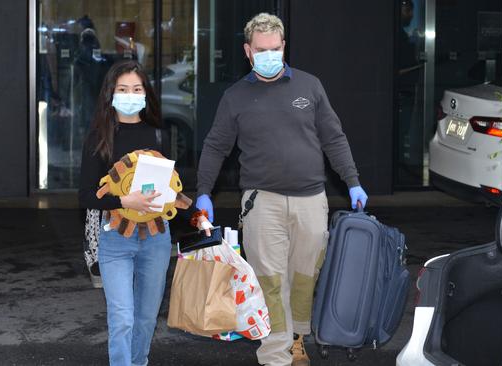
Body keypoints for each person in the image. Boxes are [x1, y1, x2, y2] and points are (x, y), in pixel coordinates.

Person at [195, 13, 368, 366]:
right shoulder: (235, 97)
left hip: (311, 200)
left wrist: (352, 181)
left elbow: (333, 137)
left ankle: (296, 340)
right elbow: (216, 146)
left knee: (305, 277)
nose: (270, 55)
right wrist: (203, 191)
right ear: (248, 50)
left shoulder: (310, 86)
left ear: (283, 46)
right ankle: (275, 355)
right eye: (262, 49)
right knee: (270, 281)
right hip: (262, 202)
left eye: (275, 48)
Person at [78, 60, 171, 366]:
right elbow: (86, 195)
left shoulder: (159, 134)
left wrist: (197, 214)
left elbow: (171, 187)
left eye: (136, 89)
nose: (130, 95)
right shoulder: (99, 136)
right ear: (111, 94)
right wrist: (123, 202)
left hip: (157, 237)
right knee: (122, 317)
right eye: (122, 89)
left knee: (145, 318)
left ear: (146, 94)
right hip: (114, 237)